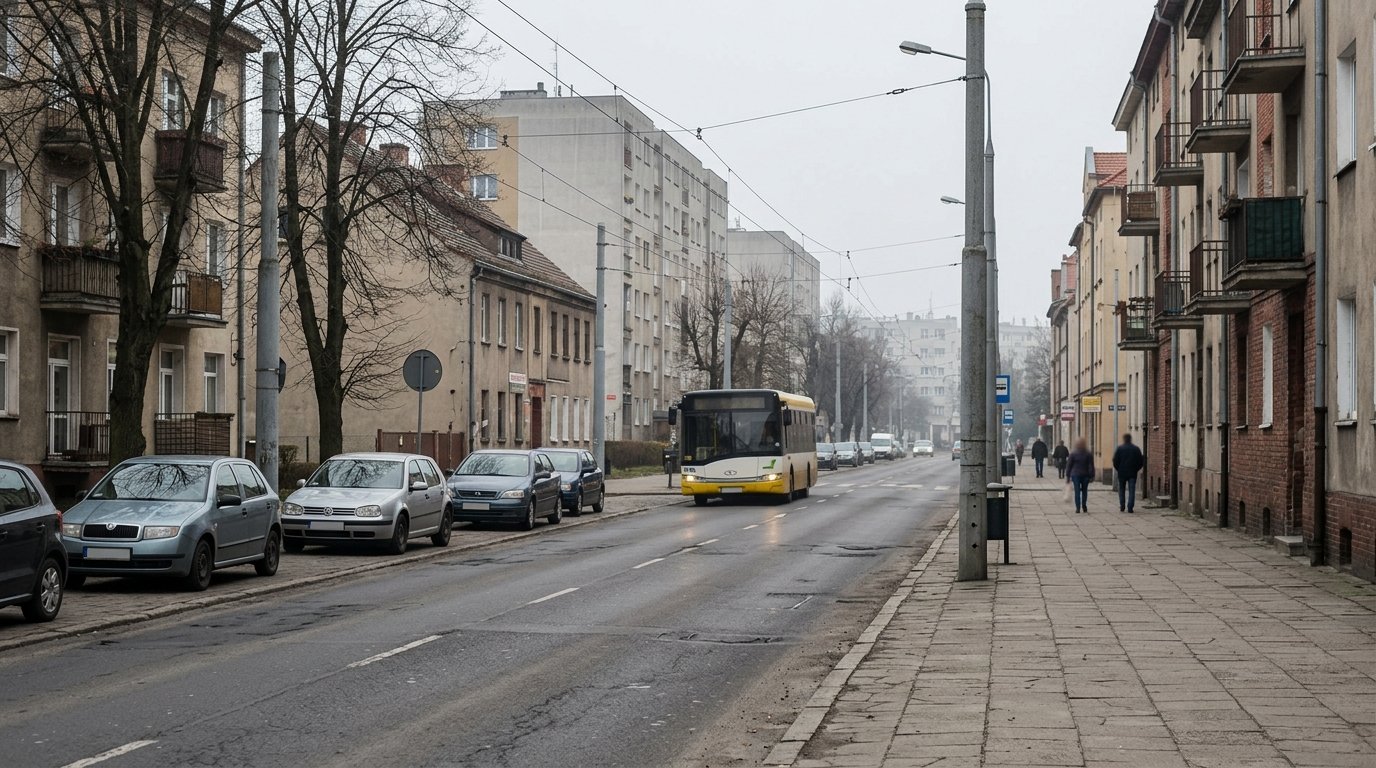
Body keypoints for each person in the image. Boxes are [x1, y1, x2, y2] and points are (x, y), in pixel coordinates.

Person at [1111, 433, 1145, 513]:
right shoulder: (1136, 449)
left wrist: (1118, 469)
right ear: (1130, 439)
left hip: (1122, 473)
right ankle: (1130, 507)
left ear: (1124, 439)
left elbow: (1115, 461)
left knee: (1121, 489)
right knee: (1132, 490)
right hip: (1132, 473)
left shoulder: (1120, 449)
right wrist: (1136, 469)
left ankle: (1122, 506)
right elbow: (1140, 461)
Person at [1066, 437, 1095, 514]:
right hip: (1085, 475)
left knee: (1077, 491)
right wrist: (1092, 475)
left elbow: (1069, 465)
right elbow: (1091, 466)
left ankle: (1078, 507)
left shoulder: (1073, 454)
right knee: (1084, 491)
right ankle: (1084, 505)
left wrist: (1068, 476)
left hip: (1075, 475)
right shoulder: (1088, 454)